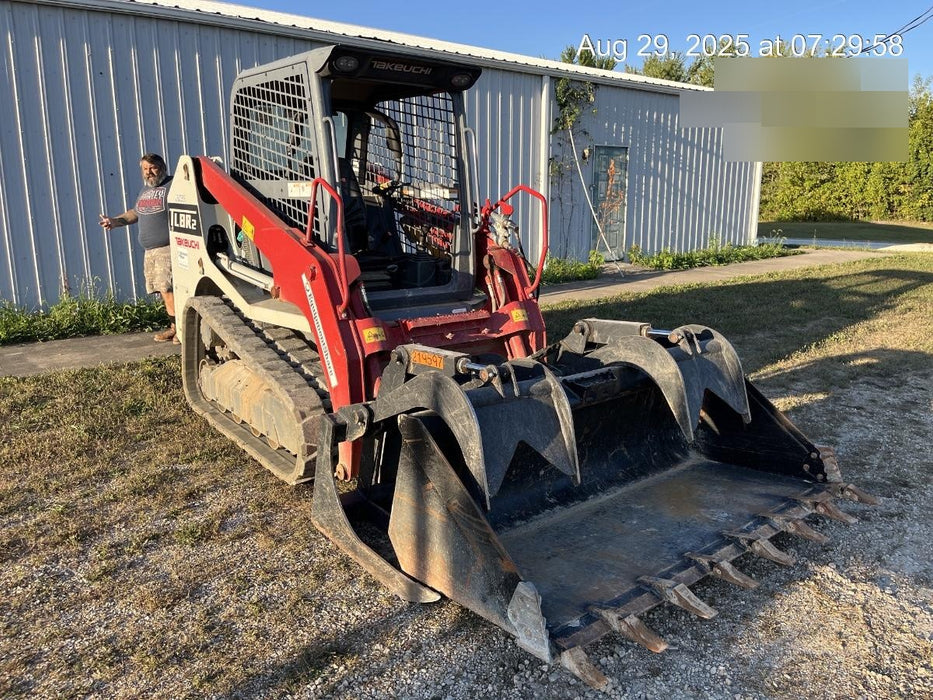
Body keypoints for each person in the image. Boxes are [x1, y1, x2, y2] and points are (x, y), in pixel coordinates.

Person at [99, 153, 177, 343]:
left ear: (162, 167)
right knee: (162, 291)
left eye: (153, 168)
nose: (149, 173)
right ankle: (175, 328)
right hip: (151, 251)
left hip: (167, 249)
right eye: (145, 169)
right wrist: (115, 221)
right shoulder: (145, 191)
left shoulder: (173, 185)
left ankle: (182, 332)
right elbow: (135, 213)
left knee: (169, 290)